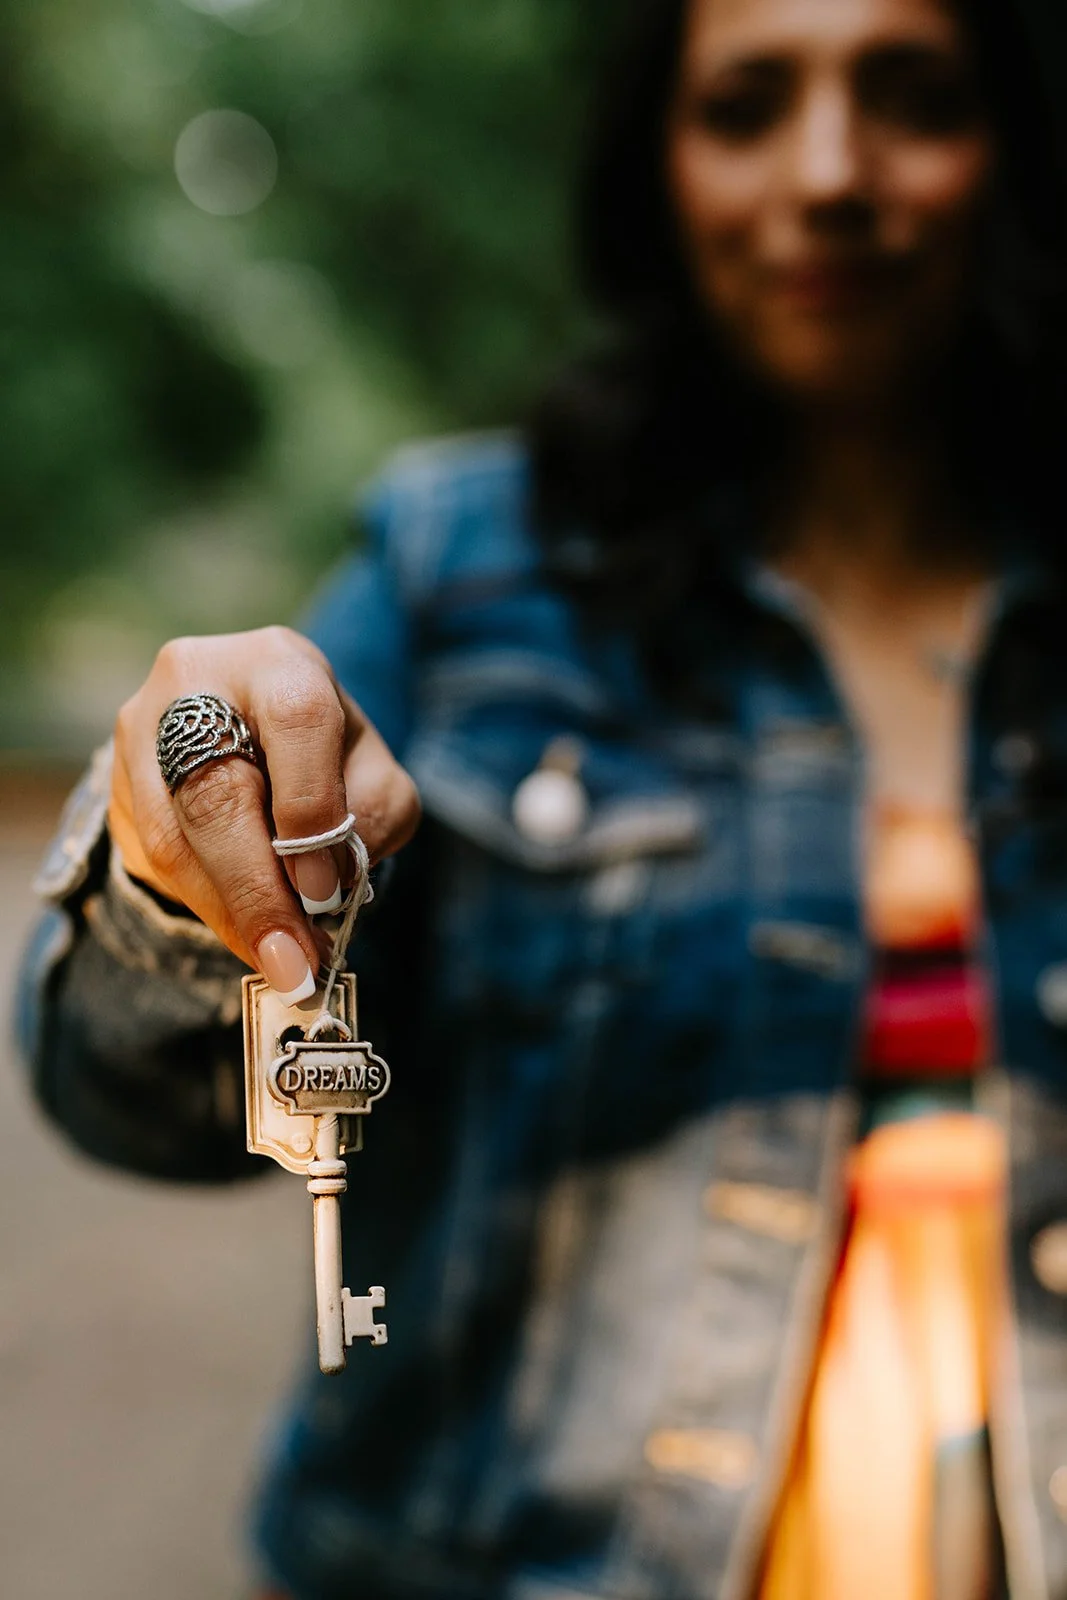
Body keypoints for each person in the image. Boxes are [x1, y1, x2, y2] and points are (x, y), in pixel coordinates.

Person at [18, 0, 1067, 1594]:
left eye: (913, 96)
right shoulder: (463, 573)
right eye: (746, 105)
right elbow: (125, 1089)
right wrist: (177, 863)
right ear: (654, 164)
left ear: (1012, 146)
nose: (830, 172)